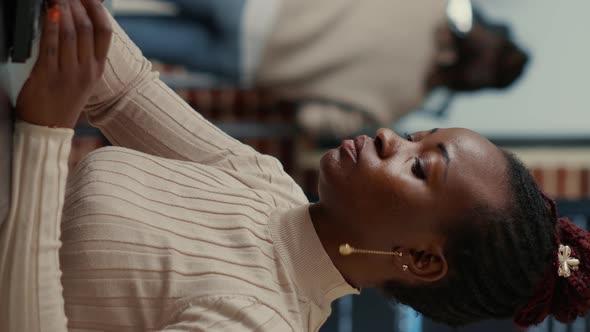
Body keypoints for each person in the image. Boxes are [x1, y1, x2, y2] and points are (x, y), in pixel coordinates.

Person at [1, 1, 587, 331]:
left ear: (420, 259)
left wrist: (45, 133)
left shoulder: (257, 322)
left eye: (418, 168)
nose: (388, 137)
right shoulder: (267, 185)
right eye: (414, 136)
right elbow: (124, 95)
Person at [116, 0, 529, 137]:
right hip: (247, 62)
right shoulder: (400, 104)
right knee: (119, 36)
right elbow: (313, 117)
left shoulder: (429, 5)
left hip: (259, 6)